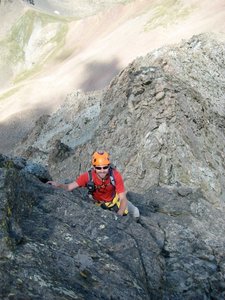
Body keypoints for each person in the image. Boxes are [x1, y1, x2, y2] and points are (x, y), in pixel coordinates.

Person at [47, 151, 140, 219]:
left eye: (105, 167)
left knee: (136, 213)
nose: (102, 170)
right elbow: (68, 187)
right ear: (94, 167)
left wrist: (119, 214)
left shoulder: (115, 175)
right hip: (99, 205)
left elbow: (123, 198)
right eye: (99, 168)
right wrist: (58, 185)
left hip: (115, 200)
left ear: (109, 166)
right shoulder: (87, 177)